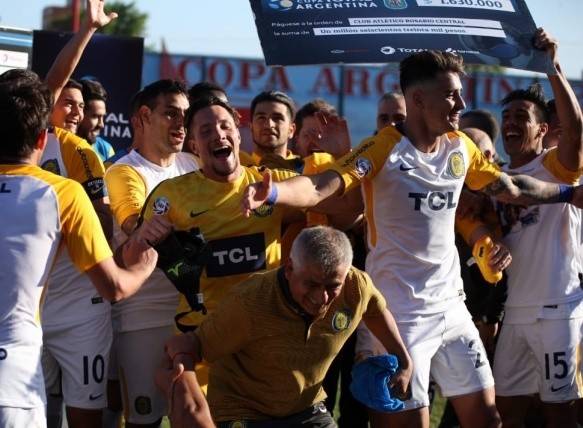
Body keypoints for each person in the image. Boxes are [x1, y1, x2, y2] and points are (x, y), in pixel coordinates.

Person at [241, 40, 583, 428]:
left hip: (452, 310)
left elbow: (511, 188)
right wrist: (272, 192)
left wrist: (568, 194)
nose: (461, 104)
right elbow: (322, 186)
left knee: (489, 421)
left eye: (461, 94)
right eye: (450, 96)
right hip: (397, 317)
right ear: (418, 100)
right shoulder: (384, 147)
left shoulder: (460, 146)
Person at [0, 69, 156, 428]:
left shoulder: (75, 164)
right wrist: (144, 264)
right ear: (43, 138)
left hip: (67, 319)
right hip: (14, 376)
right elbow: (114, 287)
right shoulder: (61, 193)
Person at [160, 225, 412, 427]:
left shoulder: (357, 286)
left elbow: (376, 311)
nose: (322, 297)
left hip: (306, 408)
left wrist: (403, 360)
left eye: (332, 286)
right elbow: (192, 346)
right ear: (290, 268)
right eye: (311, 284)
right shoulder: (248, 303)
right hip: (244, 412)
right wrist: (182, 397)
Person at [491, 30, 583, 428]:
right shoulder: (493, 175)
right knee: (507, 408)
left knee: (559, 411)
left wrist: (551, 67)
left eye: (521, 117)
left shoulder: (555, 166)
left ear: (542, 129)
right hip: (515, 310)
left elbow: (575, 130)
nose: (511, 123)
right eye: (506, 117)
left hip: (557, 309)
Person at [104, 78, 199, 428]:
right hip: (142, 319)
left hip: (194, 317)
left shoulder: (194, 163)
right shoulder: (124, 171)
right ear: (144, 116)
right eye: (170, 113)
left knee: (197, 415)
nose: (181, 123)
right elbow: (137, 225)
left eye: (185, 114)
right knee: (144, 421)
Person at [78, 78, 115, 161]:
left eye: (102, 117)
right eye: (95, 117)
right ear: (79, 113)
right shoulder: (58, 144)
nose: (101, 124)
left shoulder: (106, 150)